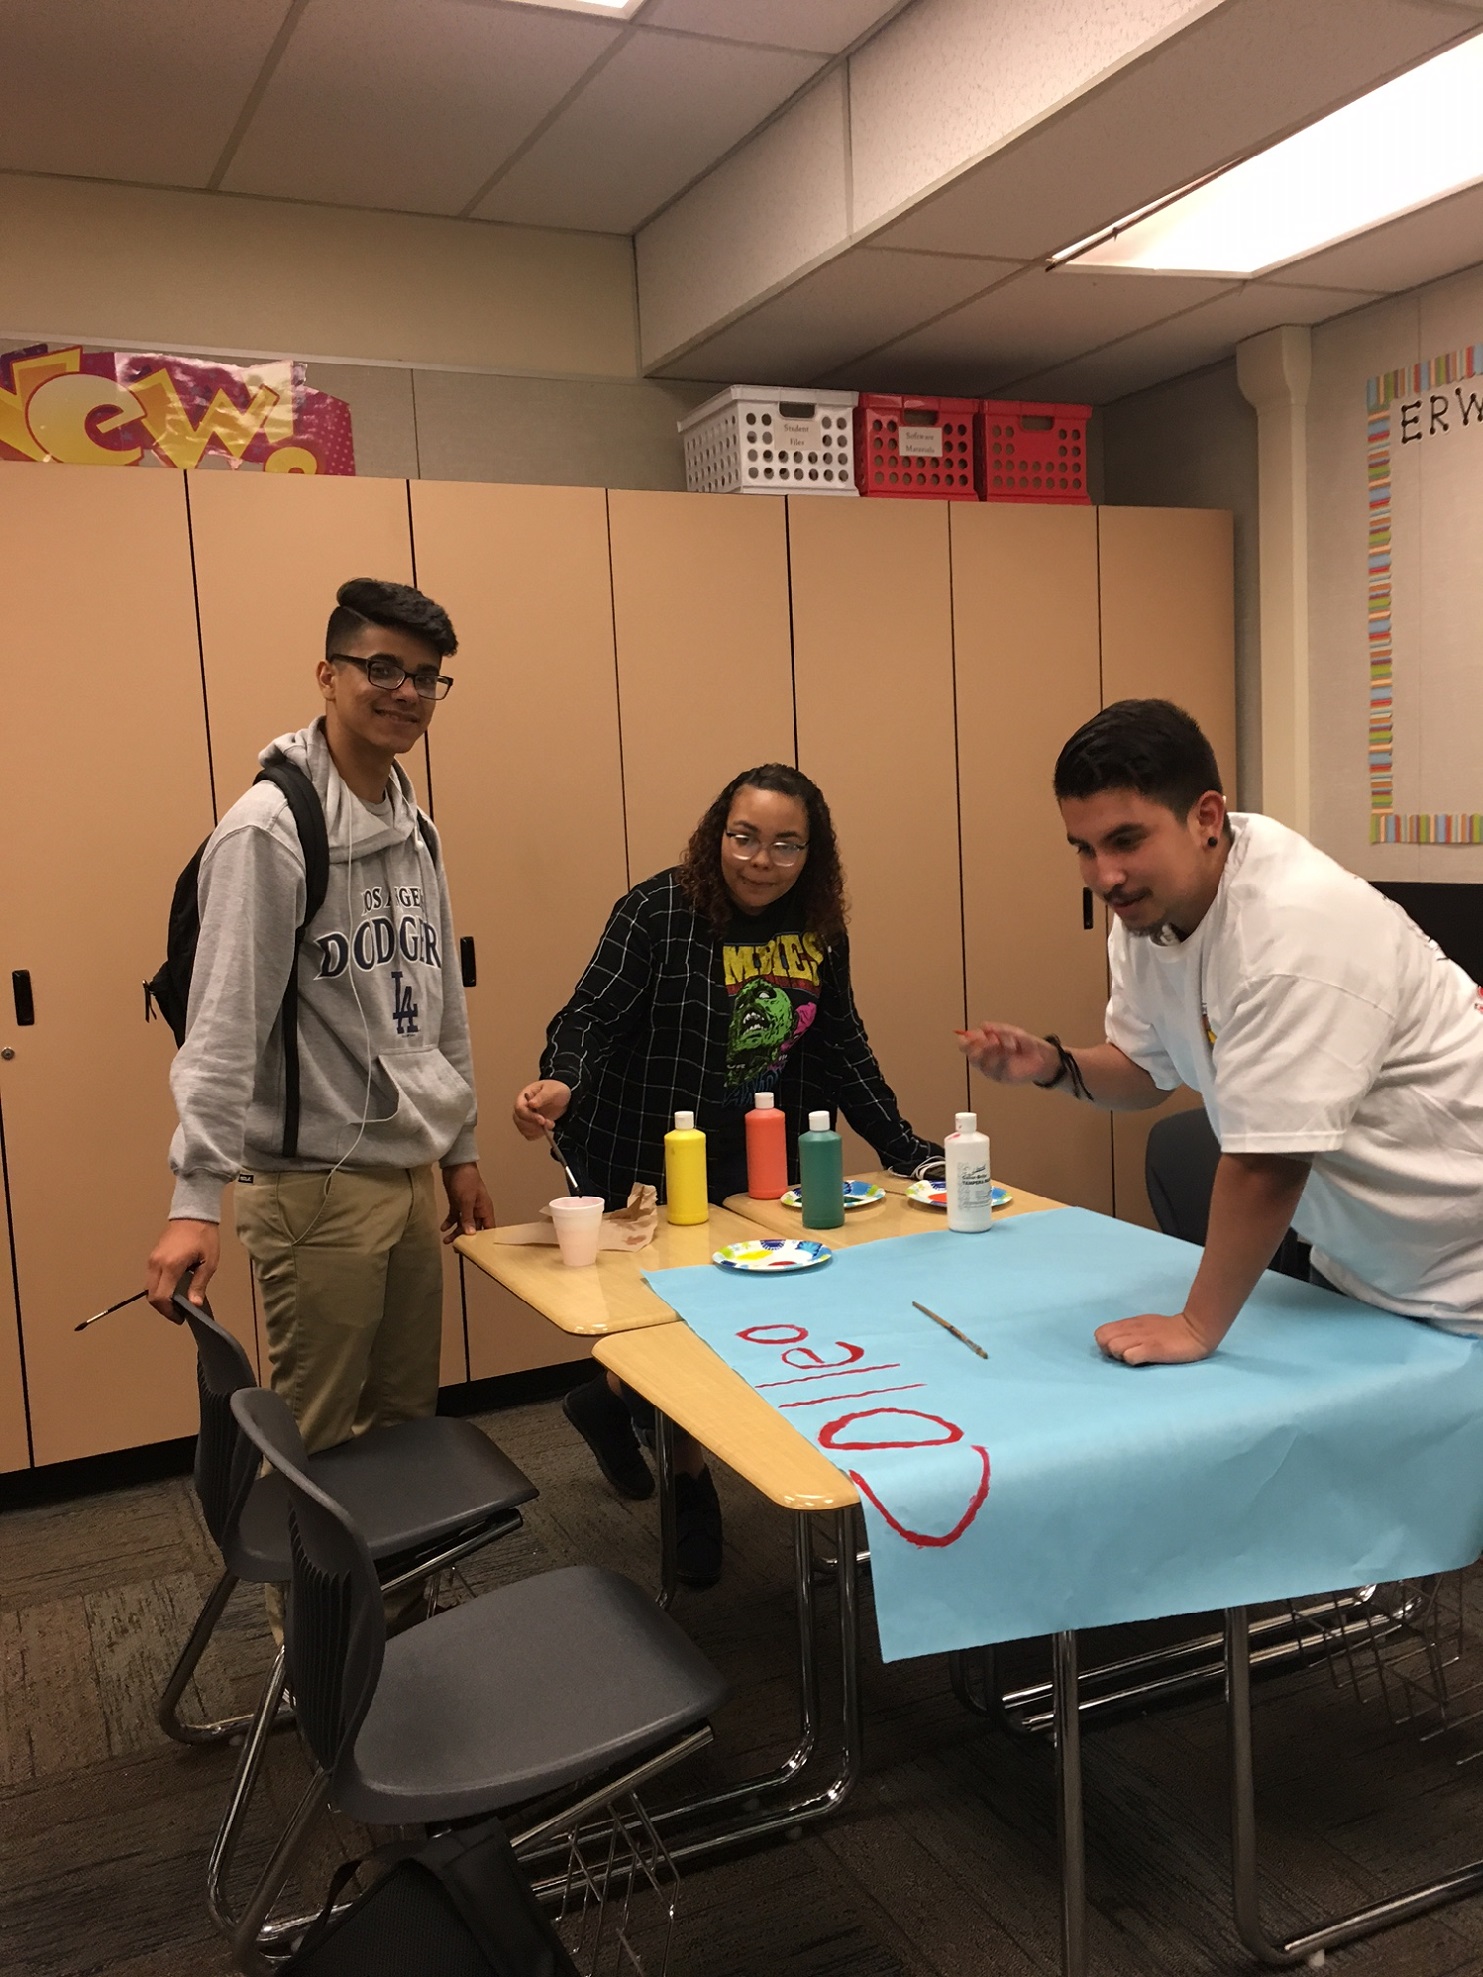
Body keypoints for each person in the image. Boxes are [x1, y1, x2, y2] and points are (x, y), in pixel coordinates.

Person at [960, 697, 1483, 1367]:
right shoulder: (1151, 912)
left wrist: (1195, 1325)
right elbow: (1144, 1071)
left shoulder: (1295, 931)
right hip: (1366, 1276)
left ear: (1206, 817)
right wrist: (1055, 1065)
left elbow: (1267, 1165)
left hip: (1463, 1284)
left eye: (1126, 840)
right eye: (1083, 848)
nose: (1104, 876)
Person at [514, 762, 938, 1583]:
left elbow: (841, 1046)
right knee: (677, 1323)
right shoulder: (657, 911)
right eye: (743, 837)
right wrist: (562, 1079)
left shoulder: (817, 929)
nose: (760, 860)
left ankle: (607, 1400)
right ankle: (690, 1480)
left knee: (745, 1316)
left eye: (785, 844)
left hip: (756, 1151)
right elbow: (590, 1015)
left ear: (811, 855)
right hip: (641, 1150)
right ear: (717, 834)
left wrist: (905, 1147)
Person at [144, 577, 494, 1514]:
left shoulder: (416, 830)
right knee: (321, 1441)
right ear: (327, 675)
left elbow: (438, 1005)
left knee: (407, 1427)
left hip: (406, 1175)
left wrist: (458, 1150)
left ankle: (403, 1600)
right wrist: (195, 1199)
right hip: (314, 1189)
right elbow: (224, 1027)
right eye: (381, 667)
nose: (405, 692)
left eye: (425, 676)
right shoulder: (268, 830)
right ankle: (314, 1613)